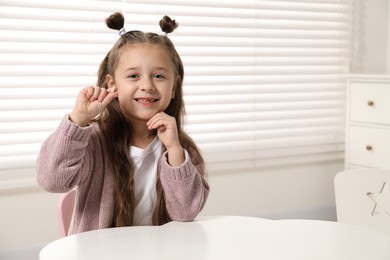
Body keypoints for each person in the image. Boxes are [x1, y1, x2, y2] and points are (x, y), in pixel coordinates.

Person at [36, 12, 210, 235]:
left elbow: (186, 212)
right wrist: (78, 120)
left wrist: (175, 150)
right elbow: (53, 181)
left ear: (174, 88)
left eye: (158, 76)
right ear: (112, 83)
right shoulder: (93, 140)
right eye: (133, 76)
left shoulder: (182, 148)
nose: (147, 85)